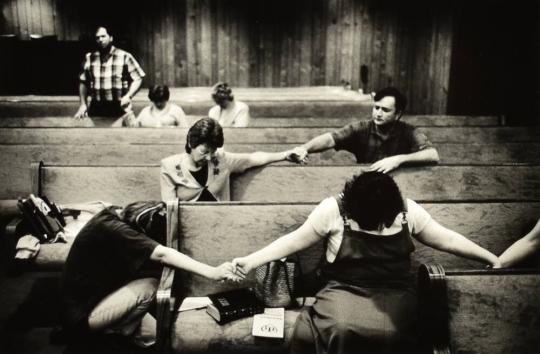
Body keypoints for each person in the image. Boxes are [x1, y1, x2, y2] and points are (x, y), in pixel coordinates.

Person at [232, 171, 500, 354]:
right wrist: (250, 260)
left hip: (396, 290)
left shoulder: (407, 210)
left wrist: (491, 258)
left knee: (397, 332)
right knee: (343, 329)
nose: (382, 227)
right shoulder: (333, 209)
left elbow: (448, 239)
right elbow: (292, 241)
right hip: (343, 288)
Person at [59, 200, 238, 350]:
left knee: (156, 337)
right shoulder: (116, 229)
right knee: (150, 286)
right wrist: (213, 272)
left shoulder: (113, 215)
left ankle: (113, 335)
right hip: (81, 318)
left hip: (99, 300)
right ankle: (104, 337)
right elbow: (162, 254)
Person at [294, 87, 439, 173]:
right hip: (365, 182)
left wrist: (398, 160)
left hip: (398, 185)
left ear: (398, 114)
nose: (378, 113)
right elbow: (330, 139)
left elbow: (432, 155)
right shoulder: (362, 128)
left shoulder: (408, 131)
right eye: (376, 108)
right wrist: (304, 148)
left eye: (385, 110)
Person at [160, 117, 301, 202]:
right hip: (185, 229)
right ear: (191, 144)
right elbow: (170, 211)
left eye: (212, 151)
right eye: (204, 152)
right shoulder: (169, 166)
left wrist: (285, 155)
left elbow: (253, 158)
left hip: (220, 223)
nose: (209, 157)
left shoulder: (221, 158)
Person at [74, 26, 145, 121]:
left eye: (103, 36)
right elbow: (83, 82)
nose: (100, 40)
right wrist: (83, 104)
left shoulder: (124, 56)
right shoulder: (89, 58)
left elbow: (138, 78)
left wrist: (129, 96)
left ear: (111, 38)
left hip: (119, 108)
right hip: (96, 108)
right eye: (97, 38)